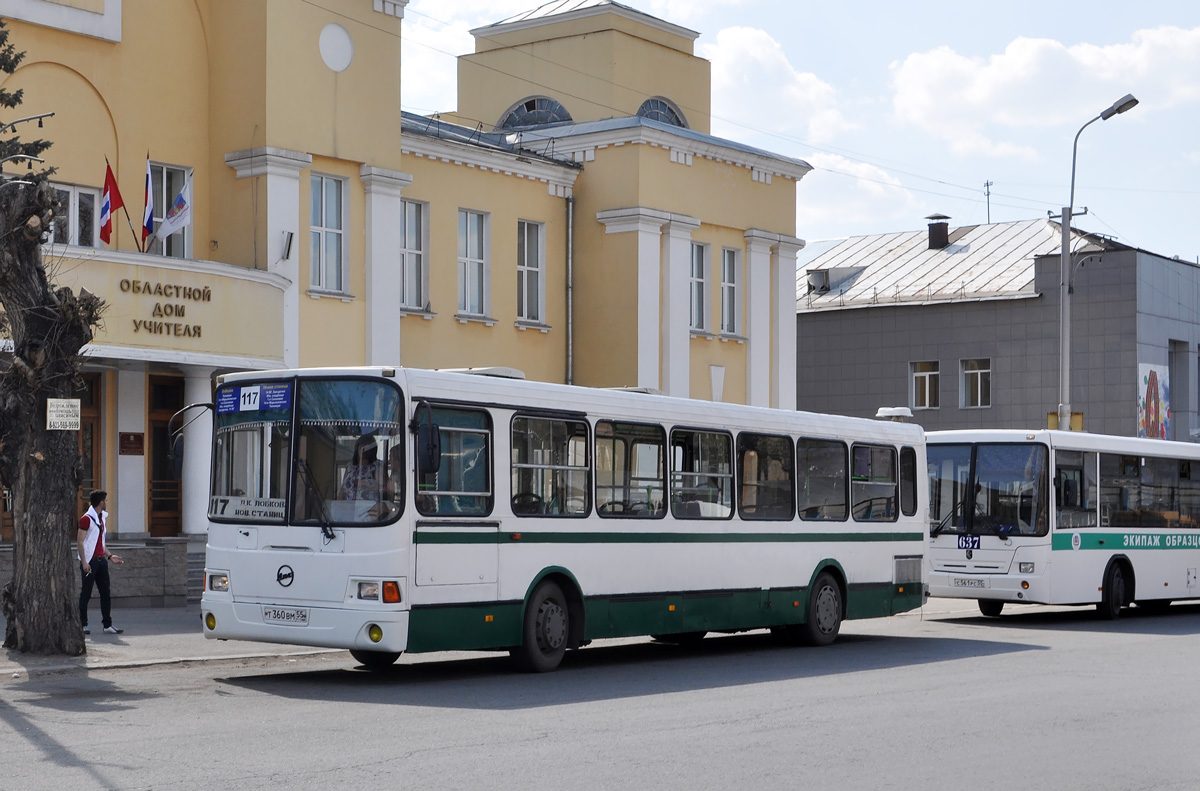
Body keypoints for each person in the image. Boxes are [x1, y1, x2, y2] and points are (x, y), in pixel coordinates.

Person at [77, 490, 124, 635]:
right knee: (86, 593)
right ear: (101, 502)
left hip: (101, 561)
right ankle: (82, 624)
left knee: (106, 593)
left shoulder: (101, 518)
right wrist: (84, 562)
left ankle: (107, 625)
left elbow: (101, 542)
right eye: (106, 500)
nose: (107, 503)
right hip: (90, 561)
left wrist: (110, 557)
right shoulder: (86, 519)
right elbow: (80, 541)